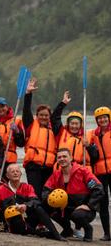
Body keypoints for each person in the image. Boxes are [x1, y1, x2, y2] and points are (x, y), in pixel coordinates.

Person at [0, 163, 64, 241]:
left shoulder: (27, 187)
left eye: (17, 171)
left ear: (21, 174)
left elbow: (36, 201)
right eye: (12, 171)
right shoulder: (1, 189)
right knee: (14, 214)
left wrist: (26, 206)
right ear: (7, 176)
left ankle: (56, 234)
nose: (15, 173)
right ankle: (41, 233)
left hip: (28, 220)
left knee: (39, 207)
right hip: (13, 223)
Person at [42, 148, 104, 242]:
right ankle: (67, 229)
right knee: (45, 207)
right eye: (59, 157)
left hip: (84, 209)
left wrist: (89, 205)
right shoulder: (56, 175)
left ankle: (88, 229)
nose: (62, 159)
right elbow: (46, 190)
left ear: (71, 158)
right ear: (57, 160)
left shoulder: (83, 171)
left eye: (64, 156)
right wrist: (51, 201)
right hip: (66, 208)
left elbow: (98, 189)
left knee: (77, 215)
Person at [22, 78, 56, 199]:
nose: (43, 117)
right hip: (33, 166)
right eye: (41, 115)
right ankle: (34, 217)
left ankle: (43, 217)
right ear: (37, 116)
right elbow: (26, 110)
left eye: (46, 115)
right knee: (35, 195)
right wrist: (28, 94)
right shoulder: (31, 124)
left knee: (46, 196)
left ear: (50, 116)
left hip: (49, 167)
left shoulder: (55, 129)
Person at [51, 91, 97, 170]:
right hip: (63, 168)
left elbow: (95, 156)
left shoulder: (87, 136)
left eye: (77, 124)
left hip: (81, 169)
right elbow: (54, 118)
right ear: (68, 124)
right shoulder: (61, 132)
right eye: (72, 123)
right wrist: (63, 103)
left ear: (81, 125)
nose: (74, 126)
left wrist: (89, 146)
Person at [90, 106, 111, 241]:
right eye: (100, 118)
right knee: (103, 204)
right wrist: (88, 146)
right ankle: (107, 233)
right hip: (100, 172)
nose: (102, 120)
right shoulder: (93, 135)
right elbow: (92, 156)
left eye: (105, 117)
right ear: (97, 120)